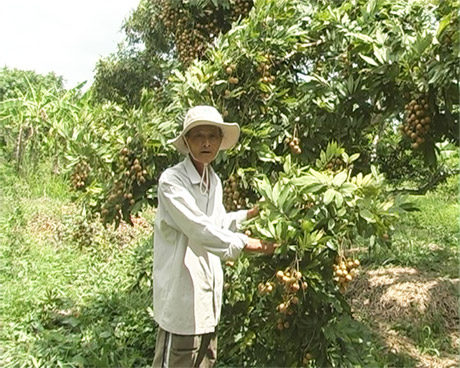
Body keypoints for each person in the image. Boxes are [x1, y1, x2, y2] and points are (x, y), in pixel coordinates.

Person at [152, 105, 276, 367]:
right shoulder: (172, 181)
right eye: (198, 136)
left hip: (207, 302)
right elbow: (199, 229)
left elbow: (217, 222)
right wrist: (252, 245)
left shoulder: (215, 181)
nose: (206, 142)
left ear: (220, 142)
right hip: (182, 301)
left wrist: (251, 214)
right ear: (186, 141)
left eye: (212, 136)